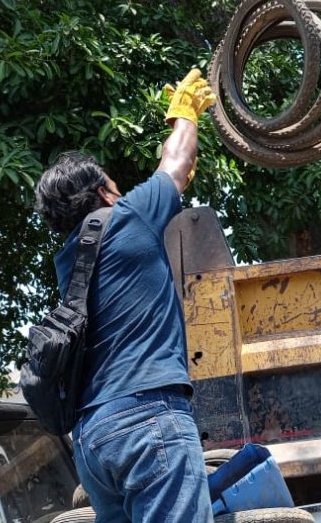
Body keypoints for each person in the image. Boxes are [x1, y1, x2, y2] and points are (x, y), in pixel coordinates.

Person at [33, 68, 216, 522]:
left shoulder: (68, 263)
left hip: (94, 439)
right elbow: (176, 161)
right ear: (102, 192)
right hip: (148, 419)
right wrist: (185, 114)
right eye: (115, 186)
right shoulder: (129, 218)